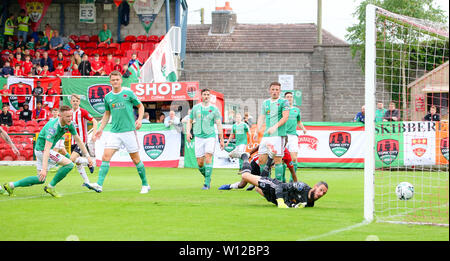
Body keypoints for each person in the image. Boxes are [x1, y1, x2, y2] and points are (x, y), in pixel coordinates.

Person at [2, 105, 94, 198]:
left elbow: (78, 140)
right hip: (43, 150)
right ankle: (51, 187)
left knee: (40, 179)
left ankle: (11, 185)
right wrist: (44, 169)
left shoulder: (70, 124)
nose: (70, 118)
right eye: (67, 116)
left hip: (40, 150)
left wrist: (88, 157)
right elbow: (46, 149)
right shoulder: (52, 128)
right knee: (69, 164)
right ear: (60, 116)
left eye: (71, 116)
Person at [84, 71, 150, 194]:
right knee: (105, 157)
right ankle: (99, 185)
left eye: (117, 79)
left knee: (136, 160)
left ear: (121, 80)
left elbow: (141, 106)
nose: (115, 81)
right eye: (113, 80)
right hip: (114, 132)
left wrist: (140, 119)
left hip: (129, 131)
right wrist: (100, 129)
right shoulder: (108, 97)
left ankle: (145, 184)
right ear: (110, 81)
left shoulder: (128, 93)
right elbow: (107, 113)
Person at [186, 88, 225, 190]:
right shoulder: (196, 108)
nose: (206, 96)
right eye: (204, 94)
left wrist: (221, 139)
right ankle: (208, 177)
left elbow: (219, 124)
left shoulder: (214, 109)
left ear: (210, 96)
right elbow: (189, 121)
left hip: (210, 137)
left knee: (208, 157)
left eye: (208, 94)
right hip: (198, 137)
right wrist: (187, 132)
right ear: (201, 96)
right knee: (200, 163)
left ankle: (206, 183)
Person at [241, 165, 328, 208]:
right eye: (320, 190)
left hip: (271, 198)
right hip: (272, 186)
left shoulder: (310, 204)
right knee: (245, 176)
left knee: (257, 188)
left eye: (323, 193)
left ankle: (256, 182)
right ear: (315, 186)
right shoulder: (301, 187)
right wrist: (280, 202)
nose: (321, 194)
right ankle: (245, 156)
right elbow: (280, 186)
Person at [253, 81, 290, 182]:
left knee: (277, 159)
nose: (275, 92)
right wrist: (257, 131)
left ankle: (278, 184)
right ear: (269, 90)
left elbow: (285, 116)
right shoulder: (266, 103)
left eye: (277, 90)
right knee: (261, 159)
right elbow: (262, 117)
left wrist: (275, 127)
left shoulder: (284, 102)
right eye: (273, 89)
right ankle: (267, 183)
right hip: (267, 135)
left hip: (278, 135)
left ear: (280, 91)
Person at [219, 145, 297, 191]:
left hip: (266, 168)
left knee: (265, 182)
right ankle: (230, 186)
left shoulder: (286, 154)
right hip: (255, 163)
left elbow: (292, 171)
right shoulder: (271, 144)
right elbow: (258, 146)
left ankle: (256, 184)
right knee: (242, 184)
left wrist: (296, 185)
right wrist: (249, 154)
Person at [69, 94, 97, 186]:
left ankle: (90, 162)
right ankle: (87, 182)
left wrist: (93, 134)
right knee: (78, 163)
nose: (75, 102)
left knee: (72, 159)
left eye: (77, 101)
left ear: (79, 102)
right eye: (73, 101)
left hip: (81, 141)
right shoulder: (69, 113)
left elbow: (94, 121)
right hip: (73, 141)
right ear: (71, 102)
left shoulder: (83, 112)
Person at [284, 91, 307, 182]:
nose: (289, 98)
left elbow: (299, 122)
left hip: (293, 136)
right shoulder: (282, 109)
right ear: (284, 98)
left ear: (292, 98)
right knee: (282, 159)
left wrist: (303, 128)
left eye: (290, 97)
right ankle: (282, 179)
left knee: (293, 158)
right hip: (283, 136)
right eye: (287, 97)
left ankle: (292, 180)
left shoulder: (296, 110)